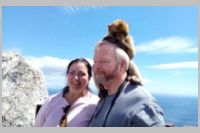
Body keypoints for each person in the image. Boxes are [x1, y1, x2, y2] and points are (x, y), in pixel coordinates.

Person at [88, 19, 165, 127]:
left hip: (127, 64)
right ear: (109, 29)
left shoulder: (142, 102)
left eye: (123, 34)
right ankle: (101, 88)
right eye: (116, 34)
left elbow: (131, 54)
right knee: (99, 72)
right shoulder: (103, 101)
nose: (120, 37)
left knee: (130, 62)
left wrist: (119, 43)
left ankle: (136, 78)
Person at [35, 58, 99, 127]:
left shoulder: (95, 104)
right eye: (72, 73)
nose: (76, 78)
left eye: (81, 74)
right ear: (67, 75)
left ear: (89, 78)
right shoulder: (52, 100)